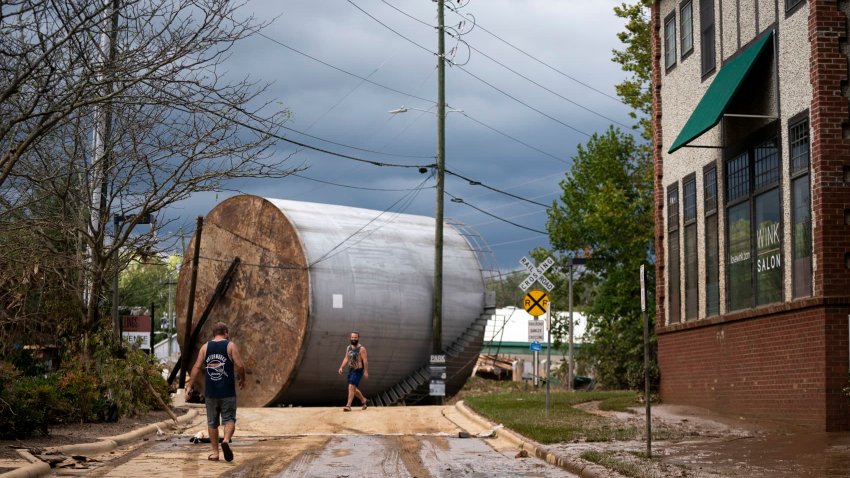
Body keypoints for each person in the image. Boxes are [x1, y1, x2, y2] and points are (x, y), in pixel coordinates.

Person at [186, 322, 246, 462]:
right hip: (227, 392)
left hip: (211, 393)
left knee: (212, 422)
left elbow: (196, 367)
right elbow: (240, 365)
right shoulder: (230, 345)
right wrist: (242, 379)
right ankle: (225, 440)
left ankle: (215, 453)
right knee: (229, 419)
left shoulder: (205, 347)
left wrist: (189, 387)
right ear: (225, 332)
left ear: (214, 333)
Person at [337, 331, 368, 411]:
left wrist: (366, 371)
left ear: (358, 338)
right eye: (352, 337)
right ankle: (363, 400)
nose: (354, 339)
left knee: (351, 386)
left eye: (355, 337)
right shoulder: (348, 348)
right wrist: (341, 367)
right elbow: (346, 358)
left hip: (358, 370)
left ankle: (348, 405)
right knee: (353, 389)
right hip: (351, 370)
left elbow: (365, 361)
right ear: (350, 338)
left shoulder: (362, 349)